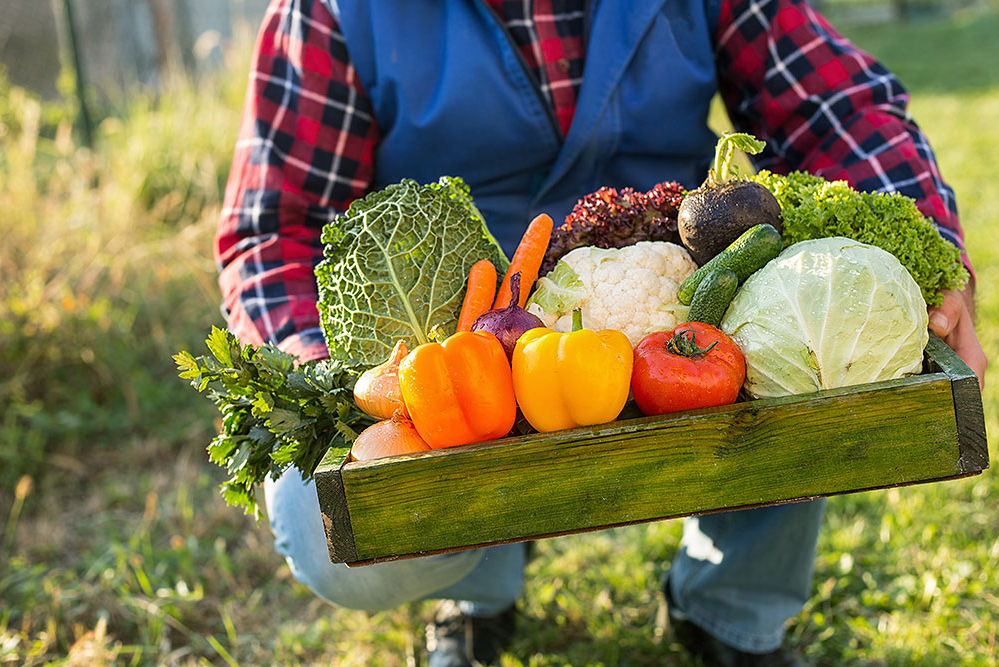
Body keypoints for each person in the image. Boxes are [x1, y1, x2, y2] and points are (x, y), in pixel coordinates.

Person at [215, 1, 987, 665]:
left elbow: (837, 106)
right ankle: (477, 590)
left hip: (680, 304)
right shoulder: (334, 10)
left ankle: (733, 606)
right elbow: (271, 225)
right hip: (459, 348)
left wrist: (927, 243)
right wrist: (336, 375)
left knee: (801, 325)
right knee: (320, 519)